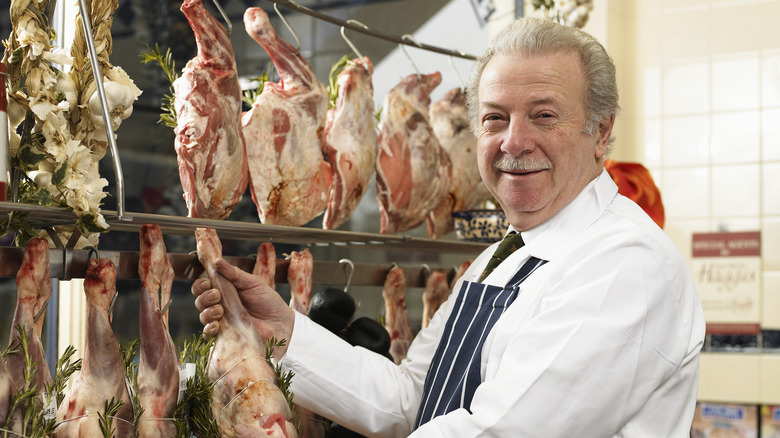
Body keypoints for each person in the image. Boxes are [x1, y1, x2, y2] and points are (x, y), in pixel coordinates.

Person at [193, 17, 705, 437]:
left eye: (544, 116)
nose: (514, 142)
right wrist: (281, 331)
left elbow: (502, 432)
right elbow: (411, 399)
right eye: (495, 118)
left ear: (602, 131)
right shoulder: (505, 255)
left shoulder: (624, 263)